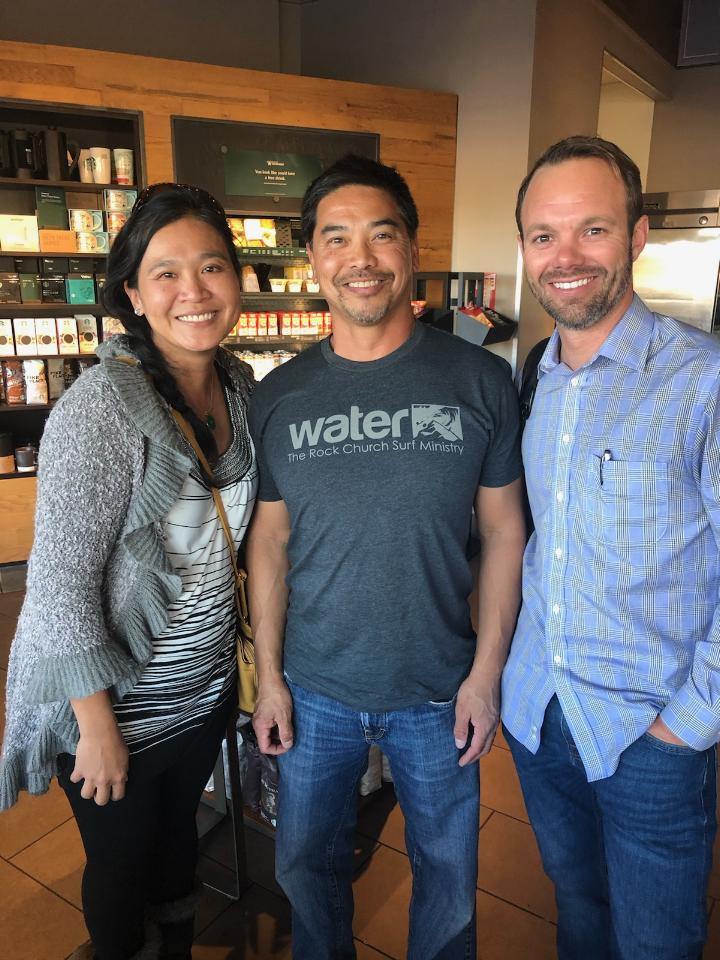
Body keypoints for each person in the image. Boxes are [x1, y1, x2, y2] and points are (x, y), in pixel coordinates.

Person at [246, 154, 526, 960]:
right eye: (336, 238)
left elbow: (506, 531)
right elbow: (270, 538)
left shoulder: (479, 379)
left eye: (381, 235)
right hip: (315, 689)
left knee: (447, 880)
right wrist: (269, 678)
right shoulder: (280, 395)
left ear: (410, 248)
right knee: (307, 868)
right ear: (312, 259)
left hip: (440, 691)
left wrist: (485, 676)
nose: (359, 259)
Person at [0, 183, 256, 960]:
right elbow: (60, 586)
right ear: (132, 294)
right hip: (119, 713)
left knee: (177, 851)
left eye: (212, 267)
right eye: (167, 273)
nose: (194, 291)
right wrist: (96, 729)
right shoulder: (100, 407)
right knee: (120, 871)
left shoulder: (241, 388)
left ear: (238, 280)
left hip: (201, 694)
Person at [502, 135, 720, 960]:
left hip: (647, 733)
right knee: (581, 912)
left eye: (592, 230)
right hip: (539, 714)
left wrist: (686, 727)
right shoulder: (534, 378)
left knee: (657, 941)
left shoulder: (702, 381)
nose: (566, 257)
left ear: (636, 237)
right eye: (544, 235)